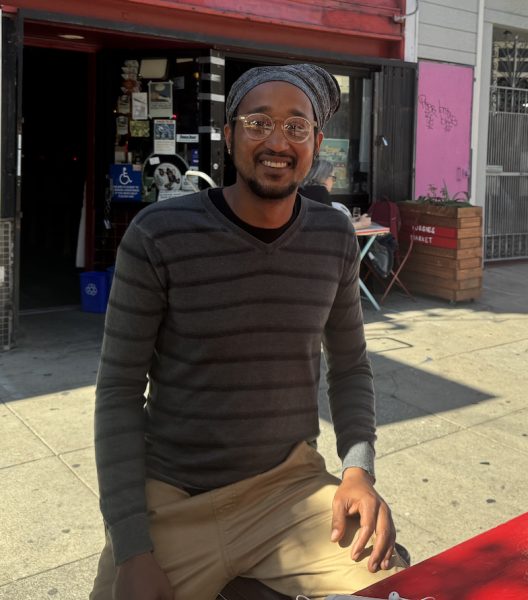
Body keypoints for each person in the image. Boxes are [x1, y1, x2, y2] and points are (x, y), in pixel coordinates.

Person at [90, 63, 405, 600]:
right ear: (230, 134)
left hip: (289, 488)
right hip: (174, 498)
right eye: (259, 122)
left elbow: (350, 367)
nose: (277, 141)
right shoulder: (160, 236)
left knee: (395, 580)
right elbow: (119, 394)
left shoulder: (333, 236)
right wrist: (132, 548)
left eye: (295, 126)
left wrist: (358, 471)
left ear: (316, 141)